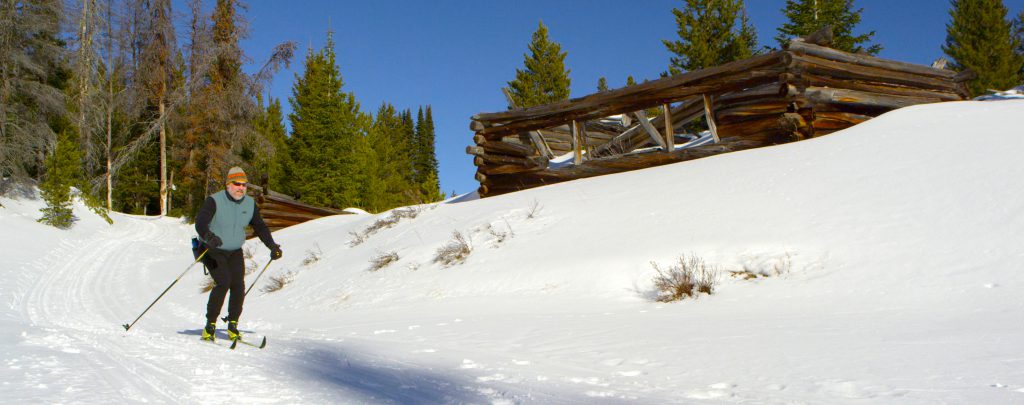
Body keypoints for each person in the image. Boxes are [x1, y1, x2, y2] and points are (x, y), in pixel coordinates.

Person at [195, 166, 282, 341]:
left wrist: (272, 246)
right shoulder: (214, 200)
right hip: (212, 249)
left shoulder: (249, 204)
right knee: (223, 281)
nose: (241, 188)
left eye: (244, 185)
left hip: (234, 250)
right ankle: (210, 325)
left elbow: (260, 226)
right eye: (237, 184)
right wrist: (209, 237)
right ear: (228, 184)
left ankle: (233, 325)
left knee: (238, 285)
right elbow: (200, 223)